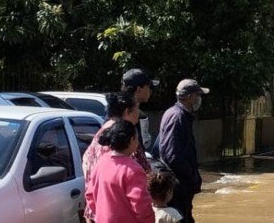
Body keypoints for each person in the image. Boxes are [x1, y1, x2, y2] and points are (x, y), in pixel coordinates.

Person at [83, 93, 150, 221]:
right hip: (119, 211)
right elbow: (139, 202)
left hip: (101, 212)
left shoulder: (108, 132)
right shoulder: (121, 136)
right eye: (137, 108)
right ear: (127, 111)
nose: (139, 112)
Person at [159, 79, 209, 223]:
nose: (199, 99)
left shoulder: (180, 115)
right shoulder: (177, 117)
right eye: (197, 95)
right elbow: (172, 156)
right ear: (189, 97)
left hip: (180, 185)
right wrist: (191, 176)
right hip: (178, 186)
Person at [122, 68, 159, 150]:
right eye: (148, 87)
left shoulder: (126, 110)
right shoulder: (126, 114)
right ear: (138, 89)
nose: (150, 91)